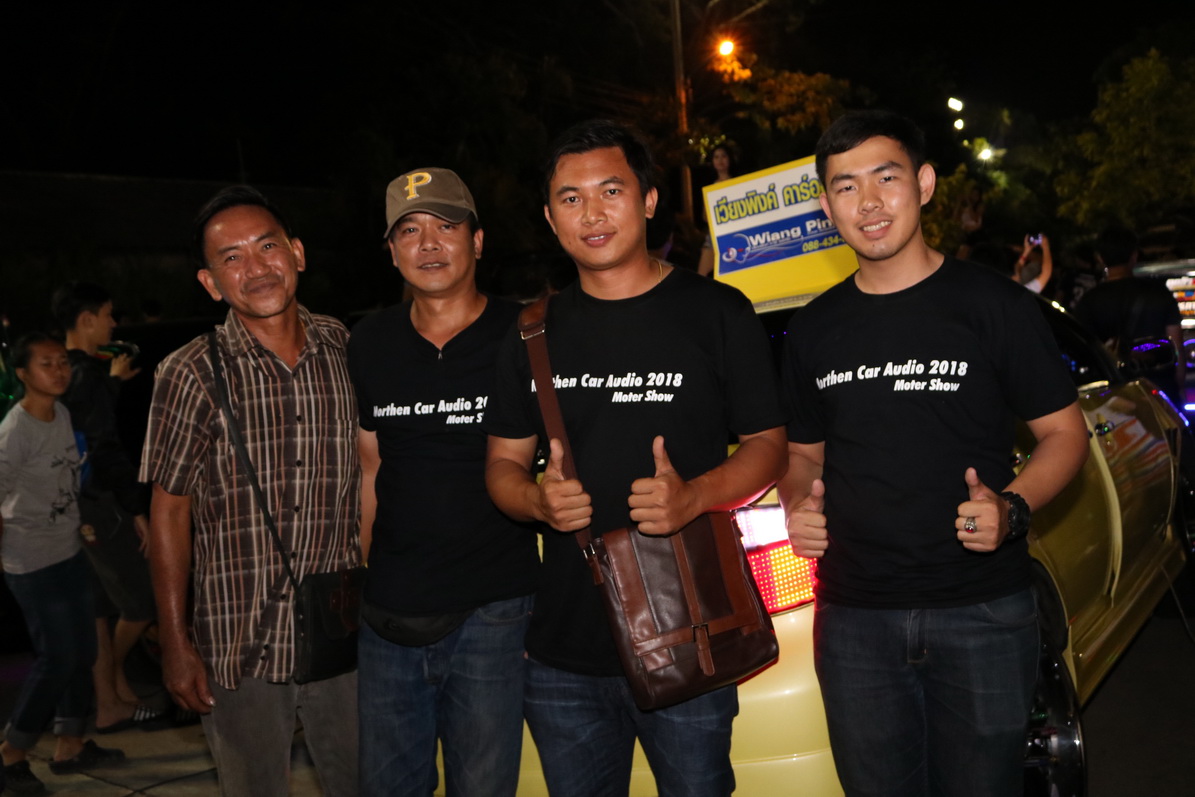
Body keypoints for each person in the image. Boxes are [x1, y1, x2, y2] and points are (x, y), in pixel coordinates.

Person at [778, 110, 1089, 797]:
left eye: (885, 178)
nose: (868, 202)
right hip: (853, 617)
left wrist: (1011, 507)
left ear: (923, 184)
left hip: (981, 611)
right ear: (826, 206)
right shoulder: (812, 328)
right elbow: (802, 456)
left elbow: (1066, 435)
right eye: (846, 187)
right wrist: (796, 502)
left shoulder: (994, 306)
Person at [484, 120, 787, 796]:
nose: (591, 213)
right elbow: (501, 465)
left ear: (648, 200)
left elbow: (769, 447)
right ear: (549, 218)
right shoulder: (530, 332)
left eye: (610, 191)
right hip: (563, 652)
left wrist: (694, 495)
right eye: (570, 198)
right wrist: (535, 500)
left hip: (691, 631)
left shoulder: (717, 312)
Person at [140, 186, 361, 796]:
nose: (256, 267)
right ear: (210, 283)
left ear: (297, 253)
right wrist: (175, 643)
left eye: (267, 247)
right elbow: (169, 511)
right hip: (238, 643)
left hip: (342, 635)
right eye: (231, 257)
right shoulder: (188, 372)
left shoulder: (345, 349)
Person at [348, 168, 538, 797]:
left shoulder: (527, 333)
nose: (428, 244)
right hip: (389, 617)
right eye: (409, 231)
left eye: (446, 226)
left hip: (495, 611)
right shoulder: (368, 342)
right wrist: (364, 574)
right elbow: (370, 467)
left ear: (476, 241)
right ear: (392, 251)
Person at [1, 333, 126, 795]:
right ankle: (11, 752)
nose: (59, 371)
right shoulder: (15, 431)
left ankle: (70, 745)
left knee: (83, 651)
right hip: (31, 561)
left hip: (67, 550)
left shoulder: (62, 414)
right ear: (22, 373)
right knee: (57, 658)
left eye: (62, 362)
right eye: (46, 364)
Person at [51, 281, 159, 733]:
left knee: (99, 607)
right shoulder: (84, 374)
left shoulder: (63, 371)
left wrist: (110, 384)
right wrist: (136, 509)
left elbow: (82, 428)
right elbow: (103, 445)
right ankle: (112, 683)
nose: (114, 324)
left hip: (74, 504)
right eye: (108, 315)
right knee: (143, 603)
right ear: (87, 319)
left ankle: (112, 701)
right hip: (99, 503)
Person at [1073, 225, 1185, 405]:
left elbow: (1085, 353)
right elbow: (1176, 346)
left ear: (1100, 258)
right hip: (1160, 389)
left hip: (1115, 395)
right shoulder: (1159, 293)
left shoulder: (1088, 301)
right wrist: (1178, 387)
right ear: (1134, 255)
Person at [698, 144, 735, 277]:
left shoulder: (738, 183)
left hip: (734, 235)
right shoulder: (710, 187)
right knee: (701, 277)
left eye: (723, 156)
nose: (720, 160)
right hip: (714, 236)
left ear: (730, 159)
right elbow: (705, 216)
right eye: (716, 157)